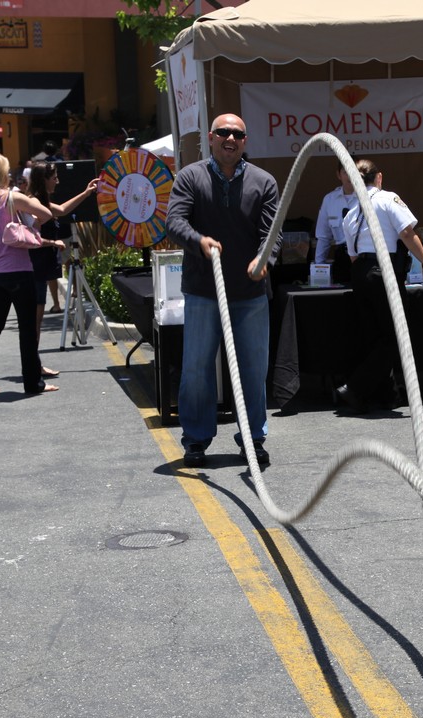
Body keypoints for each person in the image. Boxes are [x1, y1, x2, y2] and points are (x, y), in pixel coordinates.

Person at [165, 112, 279, 468]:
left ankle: (252, 438)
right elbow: (174, 222)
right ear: (211, 138)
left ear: (245, 142)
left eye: (238, 134)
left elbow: (271, 233)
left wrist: (264, 259)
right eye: (224, 132)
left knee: (253, 370)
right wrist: (199, 241)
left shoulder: (264, 182)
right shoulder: (190, 177)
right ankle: (196, 440)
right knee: (197, 368)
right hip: (204, 290)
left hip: (249, 293)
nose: (231, 139)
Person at [337, 158, 423, 414]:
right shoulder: (387, 199)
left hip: (360, 273)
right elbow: (407, 233)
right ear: (379, 177)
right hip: (383, 270)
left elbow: (353, 256)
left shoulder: (351, 213)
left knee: (375, 337)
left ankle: (386, 395)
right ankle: (355, 387)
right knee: (395, 337)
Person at [0, 152, 58, 396]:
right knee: (27, 328)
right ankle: (33, 382)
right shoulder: (11, 197)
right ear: (0, 173)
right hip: (18, 269)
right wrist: (31, 223)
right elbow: (47, 214)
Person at [23, 160, 98, 375]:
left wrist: (86, 193)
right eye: (54, 177)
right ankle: (33, 365)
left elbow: (63, 210)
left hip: (42, 264)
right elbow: (31, 236)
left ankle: (33, 363)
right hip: (35, 265)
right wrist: (52, 242)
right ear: (44, 180)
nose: (57, 181)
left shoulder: (41, 201)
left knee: (37, 317)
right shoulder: (33, 202)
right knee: (35, 318)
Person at [313, 157, 358, 283]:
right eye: (345, 172)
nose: (350, 176)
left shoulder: (370, 198)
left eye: (354, 171)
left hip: (365, 255)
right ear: (339, 175)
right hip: (342, 257)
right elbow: (323, 237)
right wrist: (319, 266)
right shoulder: (330, 200)